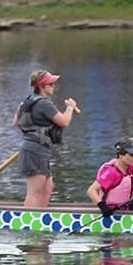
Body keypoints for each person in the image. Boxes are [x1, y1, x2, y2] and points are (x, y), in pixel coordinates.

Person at [14, 68, 79, 209]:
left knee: (47, 187)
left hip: (37, 148)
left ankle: (41, 217)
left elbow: (16, 122)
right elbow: (64, 122)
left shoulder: (26, 102)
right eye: (50, 84)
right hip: (35, 149)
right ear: (41, 86)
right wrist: (70, 108)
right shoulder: (44, 104)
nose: (53, 86)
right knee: (35, 191)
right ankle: (29, 222)